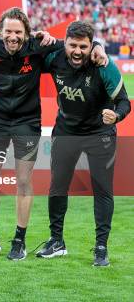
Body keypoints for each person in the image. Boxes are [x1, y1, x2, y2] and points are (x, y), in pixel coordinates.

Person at [0, 7, 105, 261]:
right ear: (1, 32)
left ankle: (19, 240)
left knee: (23, 181)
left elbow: (73, 44)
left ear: (26, 32)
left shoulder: (38, 45)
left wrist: (97, 44)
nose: (13, 37)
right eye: (8, 31)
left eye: (18, 32)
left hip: (27, 122)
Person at [36, 21, 130, 266]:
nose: (77, 51)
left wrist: (116, 115)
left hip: (100, 134)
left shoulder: (103, 66)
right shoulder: (55, 58)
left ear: (91, 47)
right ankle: (56, 241)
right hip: (66, 131)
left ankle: (101, 247)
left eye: (84, 46)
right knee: (57, 186)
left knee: (102, 189)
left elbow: (123, 102)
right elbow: (29, 53)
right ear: (65, 43)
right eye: (72, 45)